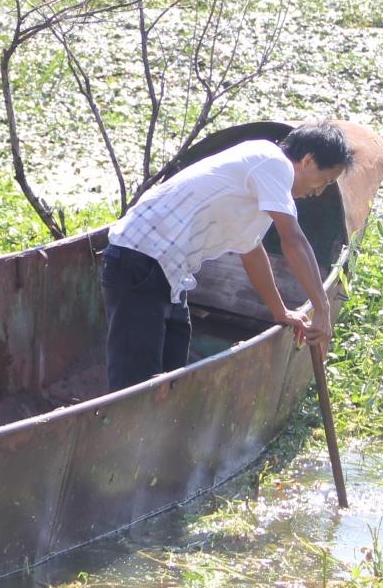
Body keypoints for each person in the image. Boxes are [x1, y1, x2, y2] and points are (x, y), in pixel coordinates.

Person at [100, 121, 355, 393]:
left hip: (166, 272)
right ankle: (124, 431)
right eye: (324, 181)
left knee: (170, 376)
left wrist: (281, 312)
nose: (319, 192)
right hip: (139, 260)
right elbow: (293, 240)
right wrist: (323, 309)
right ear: (307, 160)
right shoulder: (272, 162)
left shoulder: (264, 182)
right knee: (137, 385)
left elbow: (252, 251)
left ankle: (155, 430)